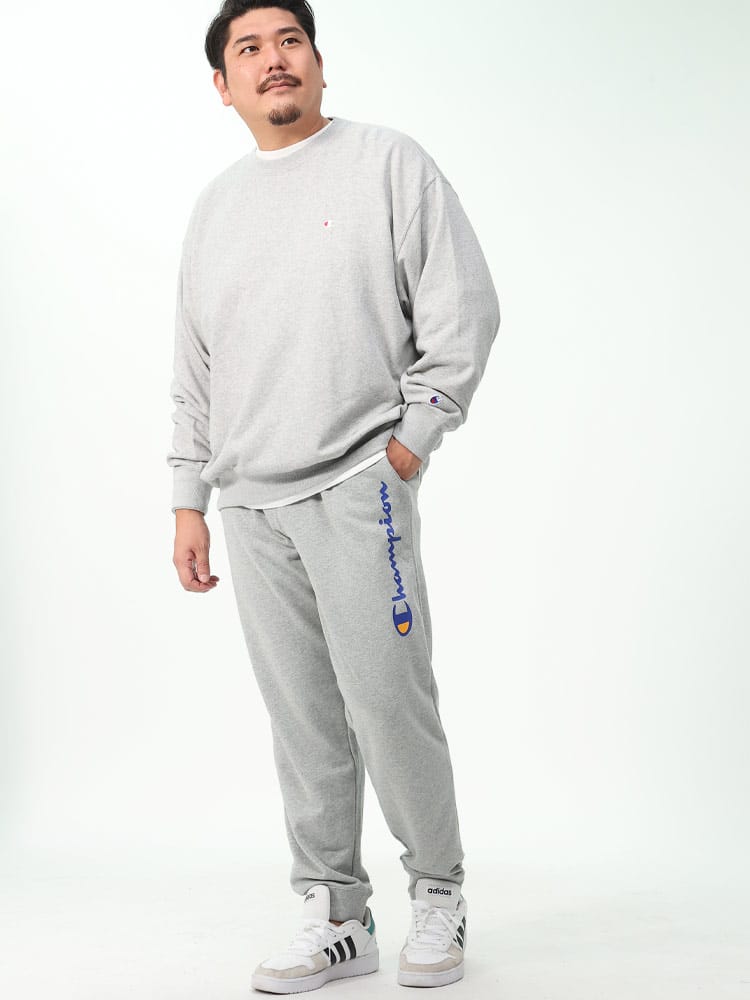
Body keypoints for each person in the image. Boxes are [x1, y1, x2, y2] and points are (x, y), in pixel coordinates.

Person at [166, 1, 500, 992]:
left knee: (389, 702)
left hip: (360, 485)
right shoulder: (215, 207)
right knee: (303, 719)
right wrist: (188, 496)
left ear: (317, 62)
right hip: (250, 504)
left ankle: (437, 890)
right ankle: (336, 913)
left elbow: (463, 309)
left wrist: (409, 445)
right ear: (223, 85)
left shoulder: (387, 164)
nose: (273, 59)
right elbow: (195, 367)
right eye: (249, 49)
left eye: (290, 41)